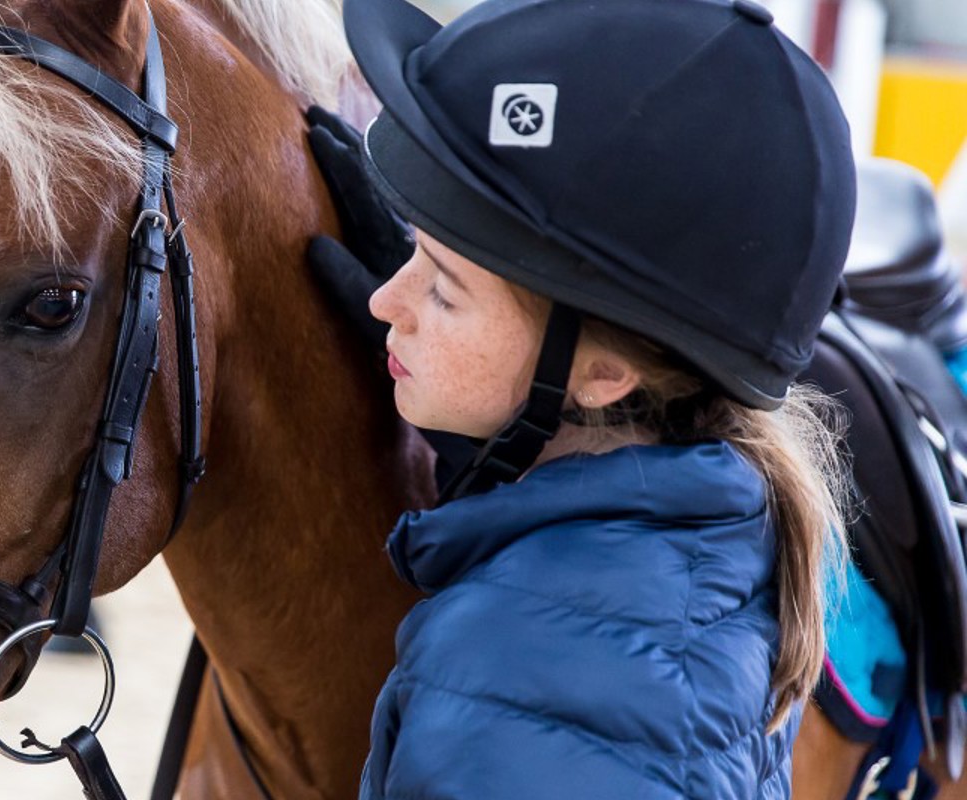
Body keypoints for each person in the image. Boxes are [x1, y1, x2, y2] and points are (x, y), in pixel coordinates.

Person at [305, 0, 858, 796]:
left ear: (601, 378)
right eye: (412, 254)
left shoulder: (510, 668)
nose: (384, 300)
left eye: (445, 290)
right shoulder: (720, 541)